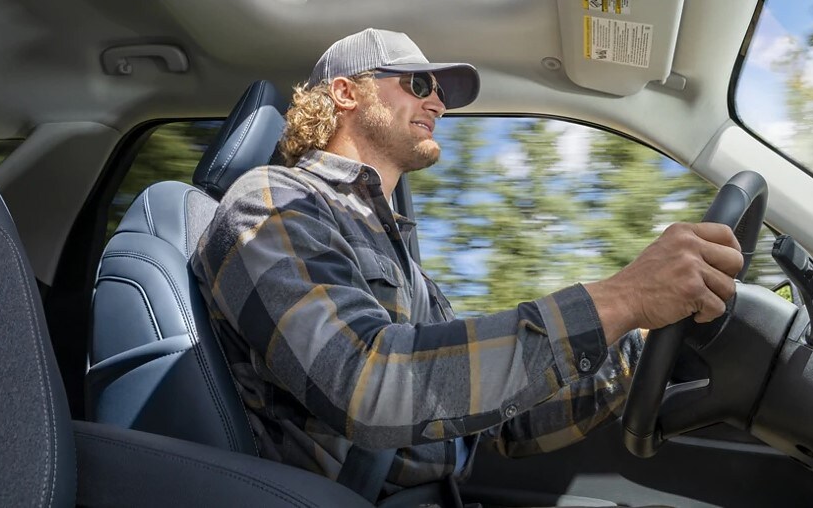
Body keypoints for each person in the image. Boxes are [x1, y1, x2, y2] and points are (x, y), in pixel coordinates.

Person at [193, 28, 743, 501]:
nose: (438, 104)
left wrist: (638, 341)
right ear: (344, 92)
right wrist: (622, 297)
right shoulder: (271, 203)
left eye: (440, 93)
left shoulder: (400, 259)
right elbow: (366, 385)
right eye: (419, 85)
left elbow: (504, 423)